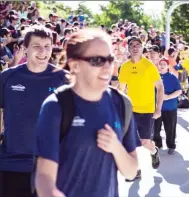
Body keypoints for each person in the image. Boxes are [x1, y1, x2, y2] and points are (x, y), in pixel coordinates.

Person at [35, 29, 140, 197]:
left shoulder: (121, 103)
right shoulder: (56, 105)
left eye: (110, 59)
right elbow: (44, 176)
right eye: (97, 60)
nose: (107, 67)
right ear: (75, 65)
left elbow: (131, 172)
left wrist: (116, 147)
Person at [0, 25, 68, 197]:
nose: (43, 51)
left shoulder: (65, 79)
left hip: (52, 166)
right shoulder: (7, 77)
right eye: (37, 46)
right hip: (12, 163)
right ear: (25, 48)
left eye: (47, 46)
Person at [118, 36, 164, 181]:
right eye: (132, 45)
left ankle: (153, 151)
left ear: (142, 48)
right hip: (131, 109)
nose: (135, 47)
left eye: (138, 44)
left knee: (144, 142)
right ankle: (135, 171)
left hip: (146, 110)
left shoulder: (149, 66)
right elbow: (121, 89)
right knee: (129, 142)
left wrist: (158, 109)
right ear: (129, 48)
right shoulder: (125, 67)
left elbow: (160, 88)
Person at [153, 58, 181, 155]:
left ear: (168, 66)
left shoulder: (172, 77)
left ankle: (171, 145)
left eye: (164, 64)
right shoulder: (154, 77)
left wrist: (168, 97)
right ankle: (158, 144)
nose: (162, 65)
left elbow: (179, 91)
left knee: (170, 128)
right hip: (157, 108)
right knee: (155, 129)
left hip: (170, 108)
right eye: (160, 64)